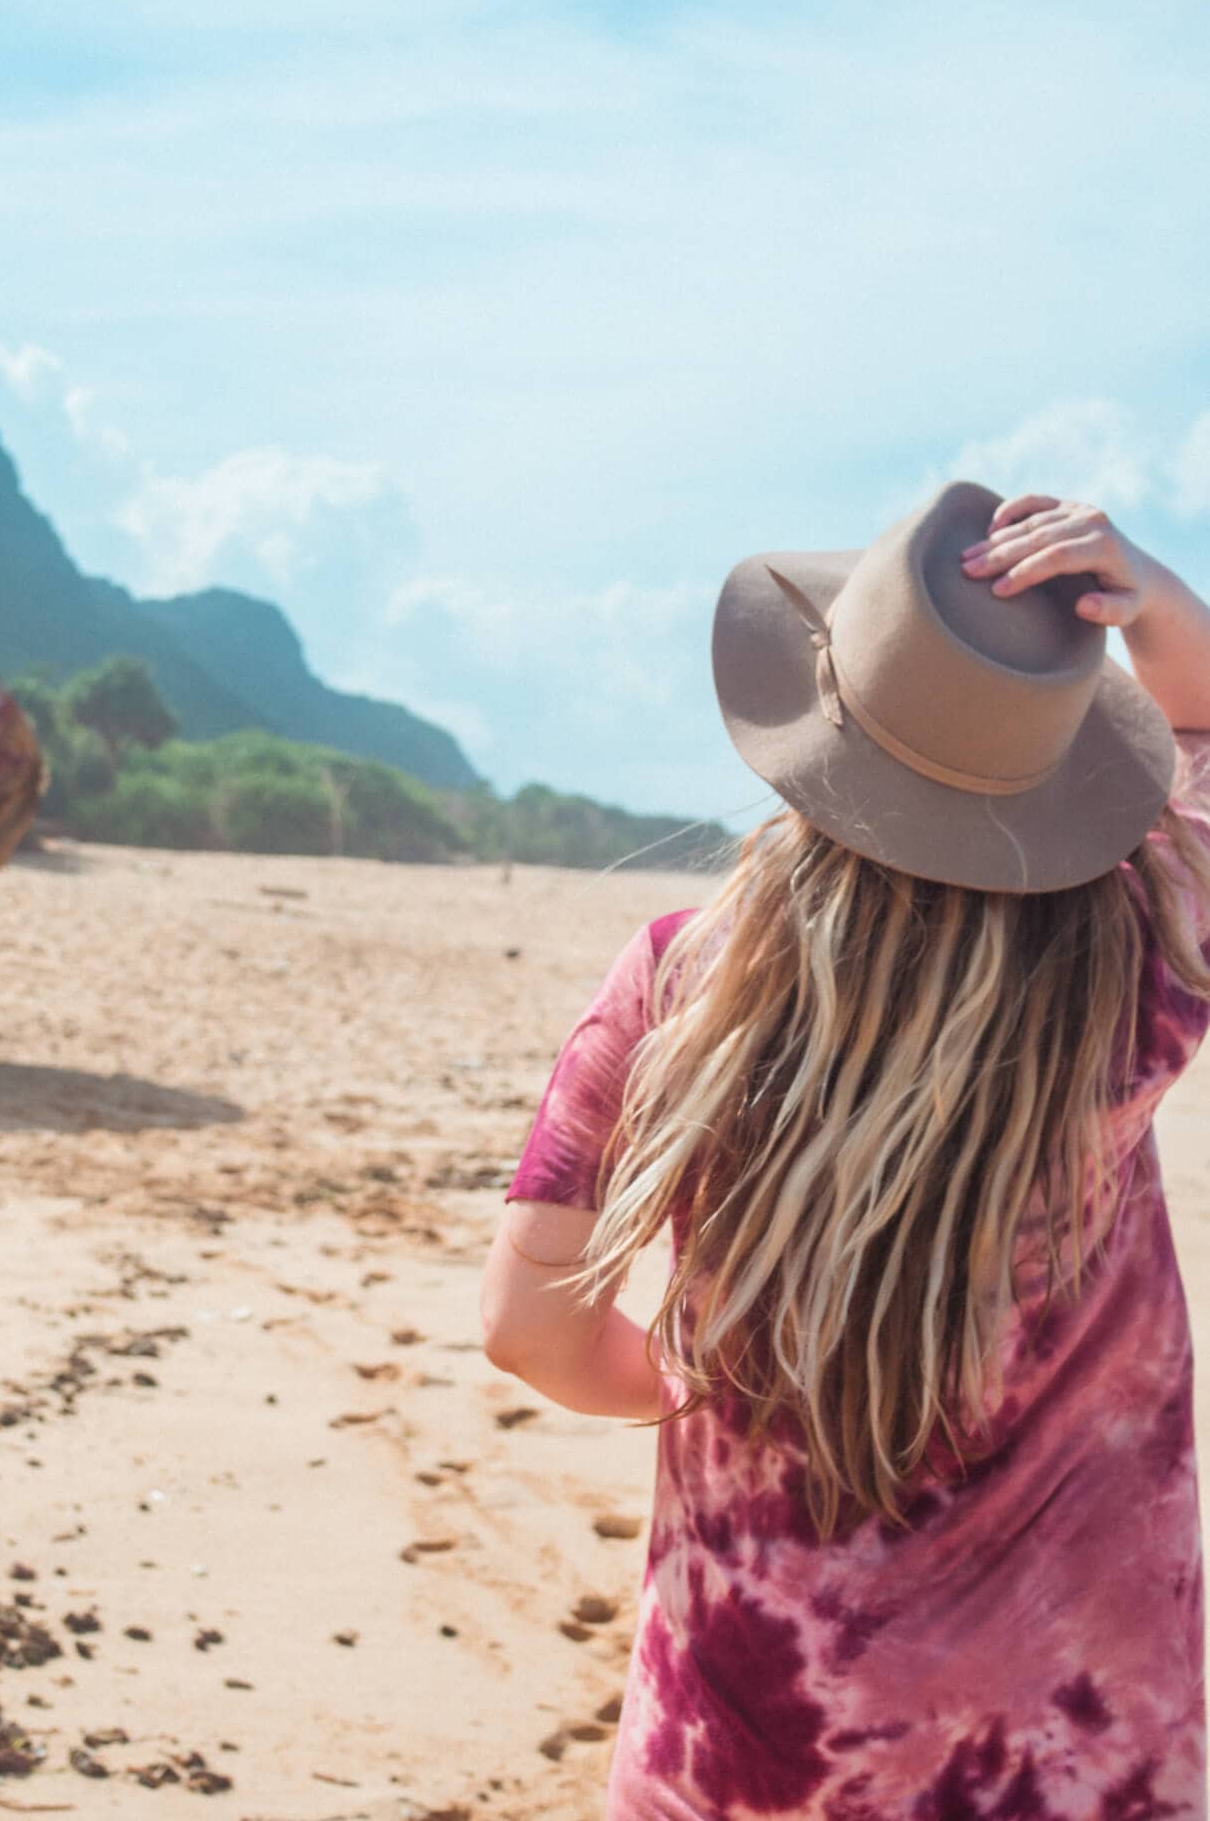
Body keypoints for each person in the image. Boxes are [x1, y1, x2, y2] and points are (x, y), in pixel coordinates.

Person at [480, 480, 1210, 1819]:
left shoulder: (678, 983)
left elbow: (531, 1332)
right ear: (1059, 758)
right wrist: (1146, 588)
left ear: (824, 718)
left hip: (751, 1742)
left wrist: (717, 1395)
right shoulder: (1149, 965)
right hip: (1079, 1754)